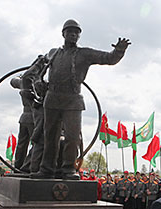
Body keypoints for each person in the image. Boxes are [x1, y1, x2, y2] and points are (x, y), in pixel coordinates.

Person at [33, 19, 130, 180]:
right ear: (63, 33)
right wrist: (37, 81)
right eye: (70, 31)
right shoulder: (52, 53)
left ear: (79, 36)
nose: (73, 34)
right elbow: (38, 70)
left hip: (73, 100)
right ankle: (47, 169)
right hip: (52, 99)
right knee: (50, 137)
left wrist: (119, 51)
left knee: (72, 137)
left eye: (76, 32)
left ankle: (68, 169)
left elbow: (108, 58)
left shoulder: (85, 53)